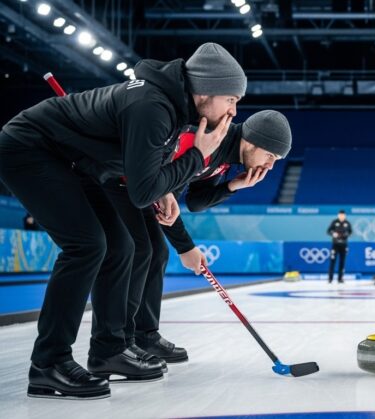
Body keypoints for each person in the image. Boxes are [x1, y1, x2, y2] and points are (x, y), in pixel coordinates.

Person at [0, 42, 246, 400]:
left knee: (121, 246)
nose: (234, 110)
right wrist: (197, 156)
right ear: (206, 91)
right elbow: (141, 192)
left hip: (79, 163)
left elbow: (148, 173)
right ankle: (48, 363)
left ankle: (107, 351)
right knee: (86, 246)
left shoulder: (175, 108)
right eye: (231, 99)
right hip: (31, 149)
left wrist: (166, 189)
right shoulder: (153, 106)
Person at [104, 110, 292, 365]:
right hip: (119, 182)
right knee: (144, 251)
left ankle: (144, 335)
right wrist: (186, 248)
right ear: (251, 142)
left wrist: (232, 186)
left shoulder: (225, 157)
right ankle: (122, 343)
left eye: (276, 160)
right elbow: (162, 196)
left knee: (156, 251)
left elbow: (195, 201)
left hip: (142, 194)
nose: (270, 166)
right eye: (270, 155)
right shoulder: (207, 142)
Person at [326, 209, 352, 283]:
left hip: (344, 245)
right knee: (332, 261)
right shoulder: (334, 222)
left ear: (345, 216)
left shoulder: (347, 223)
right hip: (335, 245)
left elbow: (350, 232)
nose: (341, 216)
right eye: (340, 215)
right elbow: (328, 231)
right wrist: (333, 234)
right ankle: (330, 278)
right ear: (338, 215)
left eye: (343, 215)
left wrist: (347, 234)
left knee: (342, 262)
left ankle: (340, 278)